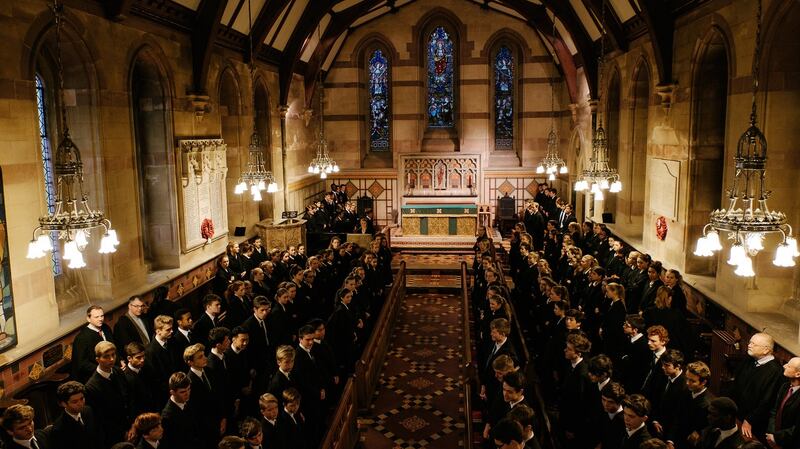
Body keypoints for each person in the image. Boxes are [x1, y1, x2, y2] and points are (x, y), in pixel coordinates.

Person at [731, 332, 783, 441]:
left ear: (766, 350)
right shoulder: (749, 359)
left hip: (754, 423)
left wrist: (750, 420)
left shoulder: (775, 371)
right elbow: (736, 384)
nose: (749, 345)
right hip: (736, 414)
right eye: (750, 342)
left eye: (754, 344)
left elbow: (767, 401)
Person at [85, 341, 131, 448]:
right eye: (106, 357)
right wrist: (123, 432)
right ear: (97, 360)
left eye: (113, 355)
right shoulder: (92, 387)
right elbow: (102, 419)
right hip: (113, 436)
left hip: (129, 427)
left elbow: (128, 398)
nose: (111, 359)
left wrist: (132, 426)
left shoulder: (117, 371)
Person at [185, 343, 226, 448]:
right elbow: (197, 410)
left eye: (204, 355)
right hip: (204, 429)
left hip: (218, 421)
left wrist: (222, 418)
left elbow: (218, 396)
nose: (205, 358)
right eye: (200, 357)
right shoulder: (189, 381)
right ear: (190, 362)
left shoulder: (209, 371)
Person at [50, 381, 103, 449]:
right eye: (74, 402)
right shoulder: (59, 429)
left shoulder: (88, 410)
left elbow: (99, 436)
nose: (80, 404)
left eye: (82, 399)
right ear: (63, 404)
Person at [71, 305, 116, 383]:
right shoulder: (81, 338)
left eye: (102, 316)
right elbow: (82, 364)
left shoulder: (106, 328)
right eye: (96, 317)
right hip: (94, 376)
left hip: (111, 368)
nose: (100, 319)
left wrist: (120, 360)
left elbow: (113, 347)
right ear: (88, 319)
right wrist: (102, 369)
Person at [161, 372, 202, 449]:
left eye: (189, 389)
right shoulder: (167, 417)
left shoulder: (188, 401)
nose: (187, 394)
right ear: (172, 392)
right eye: (183, 392)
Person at [766, 357, 800, 448]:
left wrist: (777, 437)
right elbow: (774, 411)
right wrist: (771, 433)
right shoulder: (785, 386)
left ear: (798, 374)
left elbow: (797, 428)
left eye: (789, 366)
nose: (784, 366)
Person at [144, 315, 178, 404]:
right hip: (165, 395)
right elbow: (155, 379)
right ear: (158, 331)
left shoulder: (172, 341)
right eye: (168, 330)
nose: (172, 331)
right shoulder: (150, 351)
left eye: (171, 328)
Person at [124, 342, 156, 417]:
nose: (142, 360)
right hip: (140, 417)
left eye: (143, 356)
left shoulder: (146, 368)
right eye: (138, 357)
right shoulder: (126, 377)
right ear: (129, 358)